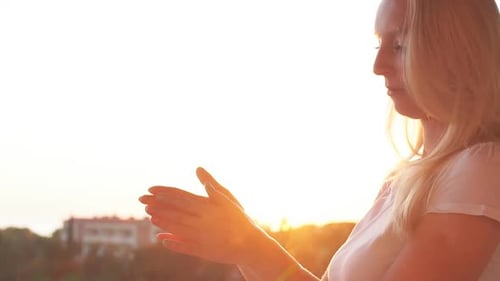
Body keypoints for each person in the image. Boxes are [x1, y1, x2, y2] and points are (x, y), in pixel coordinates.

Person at [138, 0, 500, 280]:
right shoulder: (408, 181)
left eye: (401, 45)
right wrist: (245, 245)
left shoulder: (481, 169)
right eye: (379, 45)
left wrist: (253, 246)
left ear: (457, 49)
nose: (379, 66)